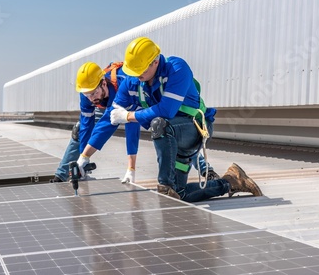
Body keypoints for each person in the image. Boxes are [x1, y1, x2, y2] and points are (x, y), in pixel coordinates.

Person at [110, 37, 262, 202]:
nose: (137, 75)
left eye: (141, 70)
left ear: (155, 61)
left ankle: (164, 186)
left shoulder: (177, 69)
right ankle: (231, 181)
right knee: (180, 194)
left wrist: (129, 116)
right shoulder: (134, 81)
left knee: (159, 124)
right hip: (172, 139)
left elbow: (166, 110)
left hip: (194, 129)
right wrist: (84, 155)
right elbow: (113, 112)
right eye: (134, 71)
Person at [51, 61, 141, 184]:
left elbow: (130, 127)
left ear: (103, 83)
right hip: (105, 102)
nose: (91, 98)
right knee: (79, 130)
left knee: (161, 129)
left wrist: (131, 168)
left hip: (134, 102)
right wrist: (83, 161)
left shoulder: (124, 84)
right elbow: (86, 126)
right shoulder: (87, 94)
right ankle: (62, 175)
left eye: (93, 93)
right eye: (87, 95)